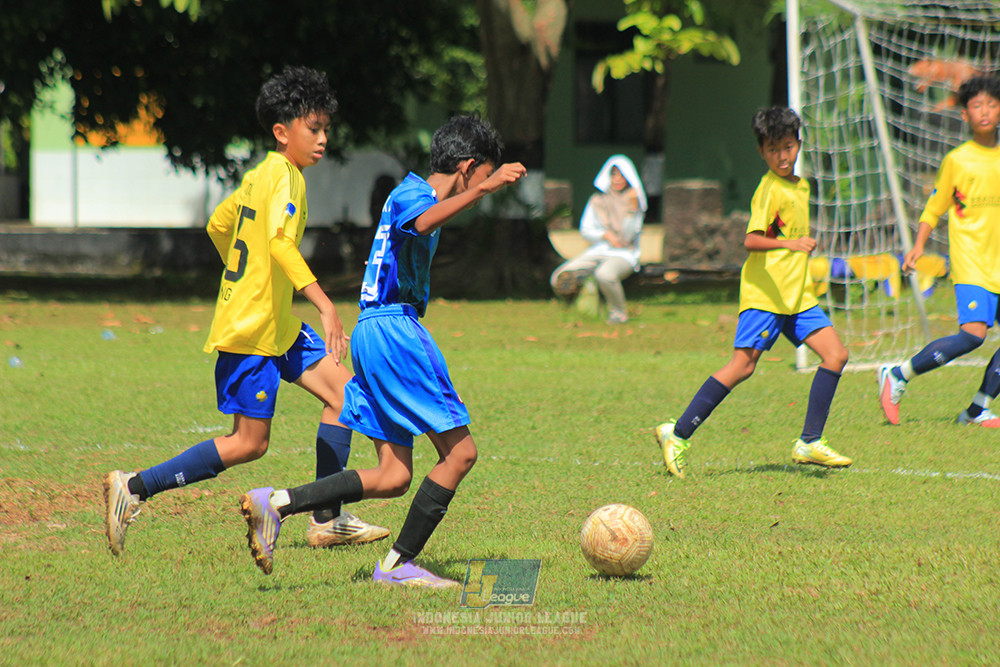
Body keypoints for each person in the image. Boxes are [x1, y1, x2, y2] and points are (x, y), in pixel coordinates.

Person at [102, 66, 387, 557]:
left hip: (274, 324)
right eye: (313, 129)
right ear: (283, 132)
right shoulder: (286, 178)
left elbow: (218, 225)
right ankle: (132, 488)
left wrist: (247, 277)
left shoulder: (261, 175)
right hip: (253, 330)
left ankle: (326, 517)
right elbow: (278, 241)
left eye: (325, 129)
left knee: (347, 394)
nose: (322, 139)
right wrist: (324, 303)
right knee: (249, 444)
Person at [238, 115, 526, 587]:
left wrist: (476, 190)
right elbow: (421, 222)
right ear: (469, 167)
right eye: (482, 173)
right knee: (461, 454)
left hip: (372, 330)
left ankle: (279, 503)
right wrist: (483, 190)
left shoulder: (405, 191)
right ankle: (395, 567)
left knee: (392, 475)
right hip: (394, 331)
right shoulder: (418, 195)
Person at [654, 107, 853, 479]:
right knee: (742, 366)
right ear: (761, 151)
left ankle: (810, 442)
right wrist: (790, 244)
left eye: (789, 147)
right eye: (774, 149)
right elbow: (750, 239)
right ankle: (677, 433)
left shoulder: (802, 185)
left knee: (836, 355)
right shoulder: (769, 190)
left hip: (798, 297)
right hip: (766, 297)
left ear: (798, 145)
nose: (782, 156)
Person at [878, 75, 1000, 427]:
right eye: (977, 105)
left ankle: (978, 409)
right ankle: (898, 374)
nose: (985, 111)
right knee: (973, 336)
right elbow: (933, 209)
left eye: (991, 104)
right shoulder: (957, 161)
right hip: (973, 265)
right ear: (964, 114)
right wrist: (917, 246)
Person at [550, 154, 647, 324]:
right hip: (599, 250)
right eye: (614, 174)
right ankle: (579, 309)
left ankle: (619, 314)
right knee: (558, 277)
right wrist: (606, 236)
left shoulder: (634, 200)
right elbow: (586, 230)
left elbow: (628, 236)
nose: (617, 179)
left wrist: (632, 210)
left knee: (604, 275)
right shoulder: (597, 200)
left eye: (622, 175)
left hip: (624, 254)